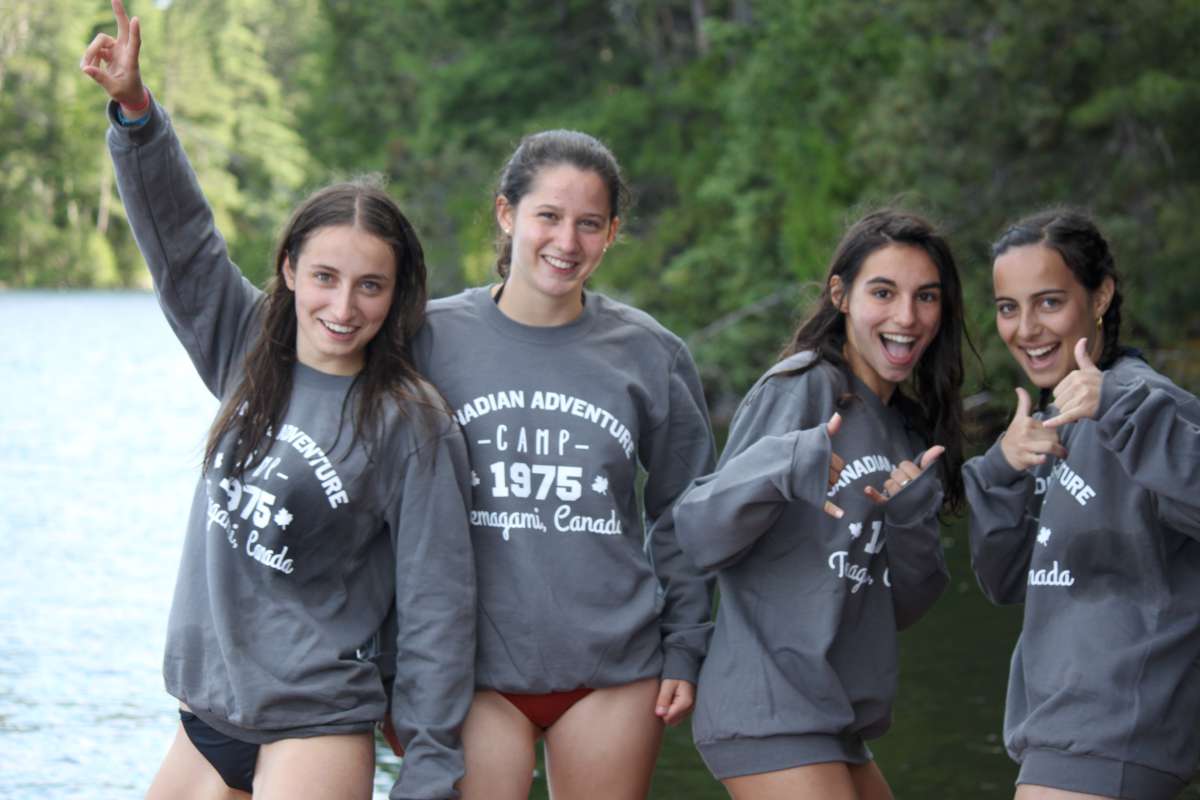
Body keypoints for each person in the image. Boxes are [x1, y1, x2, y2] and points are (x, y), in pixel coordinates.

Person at [80, 3, 476, 798]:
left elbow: (438, 607)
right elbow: (183, 244)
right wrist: (136, 114)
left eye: (371, 285)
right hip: (204, 713)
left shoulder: (410, 422)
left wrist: (428, 770)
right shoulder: (247, 347)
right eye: (326, 277)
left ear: (396, 296)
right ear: (290, 268)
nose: (344, 305)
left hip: (314, 722)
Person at [405, 129, 716, 799]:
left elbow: (685, 512)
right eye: (548, 215)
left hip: (614, 666)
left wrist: (686, 643)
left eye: (589, 224)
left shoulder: (649, 353)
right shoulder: (427, 340)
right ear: (506, 213)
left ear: (611, 234)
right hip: (473, 670)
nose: (566, 241)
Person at [674, 209, 966, 799]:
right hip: (768, 706)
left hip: (839, 719)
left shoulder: (907, 430)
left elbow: (902, 606)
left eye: (926, 296)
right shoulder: (803, 386)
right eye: (883, 292)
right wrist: (784, 464)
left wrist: (907, 515)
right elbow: (700, 533)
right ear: (841, 295)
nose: (907, 317)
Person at [965, 208, 1200, 800]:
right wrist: (999, 471)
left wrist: (1119, 407)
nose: (1026, 328)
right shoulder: (1041, 428)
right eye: (1007, 308)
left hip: (1119, 732)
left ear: (1099, 298)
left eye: (1049, 302)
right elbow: (1007, 581)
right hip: (1051, 731)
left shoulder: (1150, 404)